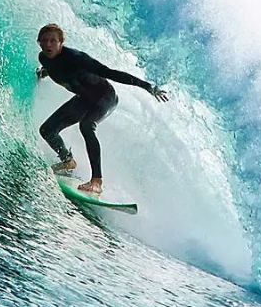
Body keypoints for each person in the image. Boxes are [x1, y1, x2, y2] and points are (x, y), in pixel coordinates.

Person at [35, 23, 168, 194]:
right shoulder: (44, 58)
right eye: (44, 41)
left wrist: (148, 87)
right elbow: (55, 68)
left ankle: (96, 182)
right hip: (83, 99)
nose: (48, 45)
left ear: (61, 42)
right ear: (39, 42)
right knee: (47, 130)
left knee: (86, 125)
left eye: (53, 41)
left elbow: (110, 72)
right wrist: (43, 74)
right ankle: (68, 162)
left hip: (105, 96)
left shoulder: (77, 58)